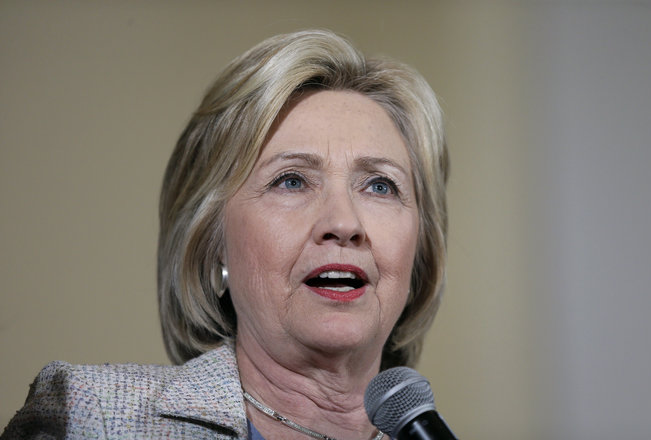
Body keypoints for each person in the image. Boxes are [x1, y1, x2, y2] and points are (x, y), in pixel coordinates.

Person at [2, 29, 448, 440]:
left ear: (420, 250)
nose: (345, 223)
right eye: (291, 180)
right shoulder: (93, 418)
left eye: (379, 185)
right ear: (210, 239)